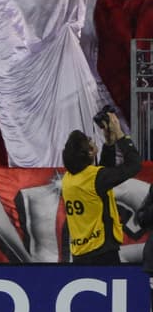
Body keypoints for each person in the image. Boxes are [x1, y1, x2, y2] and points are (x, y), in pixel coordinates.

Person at [61, 110, 142, 265]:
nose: (92, 142)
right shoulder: (96, 178)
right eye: (89, 142)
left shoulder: (68, 179)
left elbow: (102, 175)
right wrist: (119, 134)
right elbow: (134, 165)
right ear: (89, 152)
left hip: (80, 254)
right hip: (102, 251)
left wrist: (109, 144)